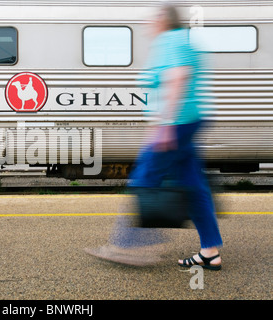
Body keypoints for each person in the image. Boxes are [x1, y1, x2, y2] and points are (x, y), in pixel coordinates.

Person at [85, 3, 223, 270]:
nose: (148, 25)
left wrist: (166, 125)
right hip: (191, 120)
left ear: (163, 20)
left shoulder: (169, 40)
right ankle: (210, 251)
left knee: (145, 178)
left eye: (151, 19)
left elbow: (178, 77)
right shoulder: (185, 40)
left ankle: (128, 245)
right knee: (194, 187)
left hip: (177, 123)